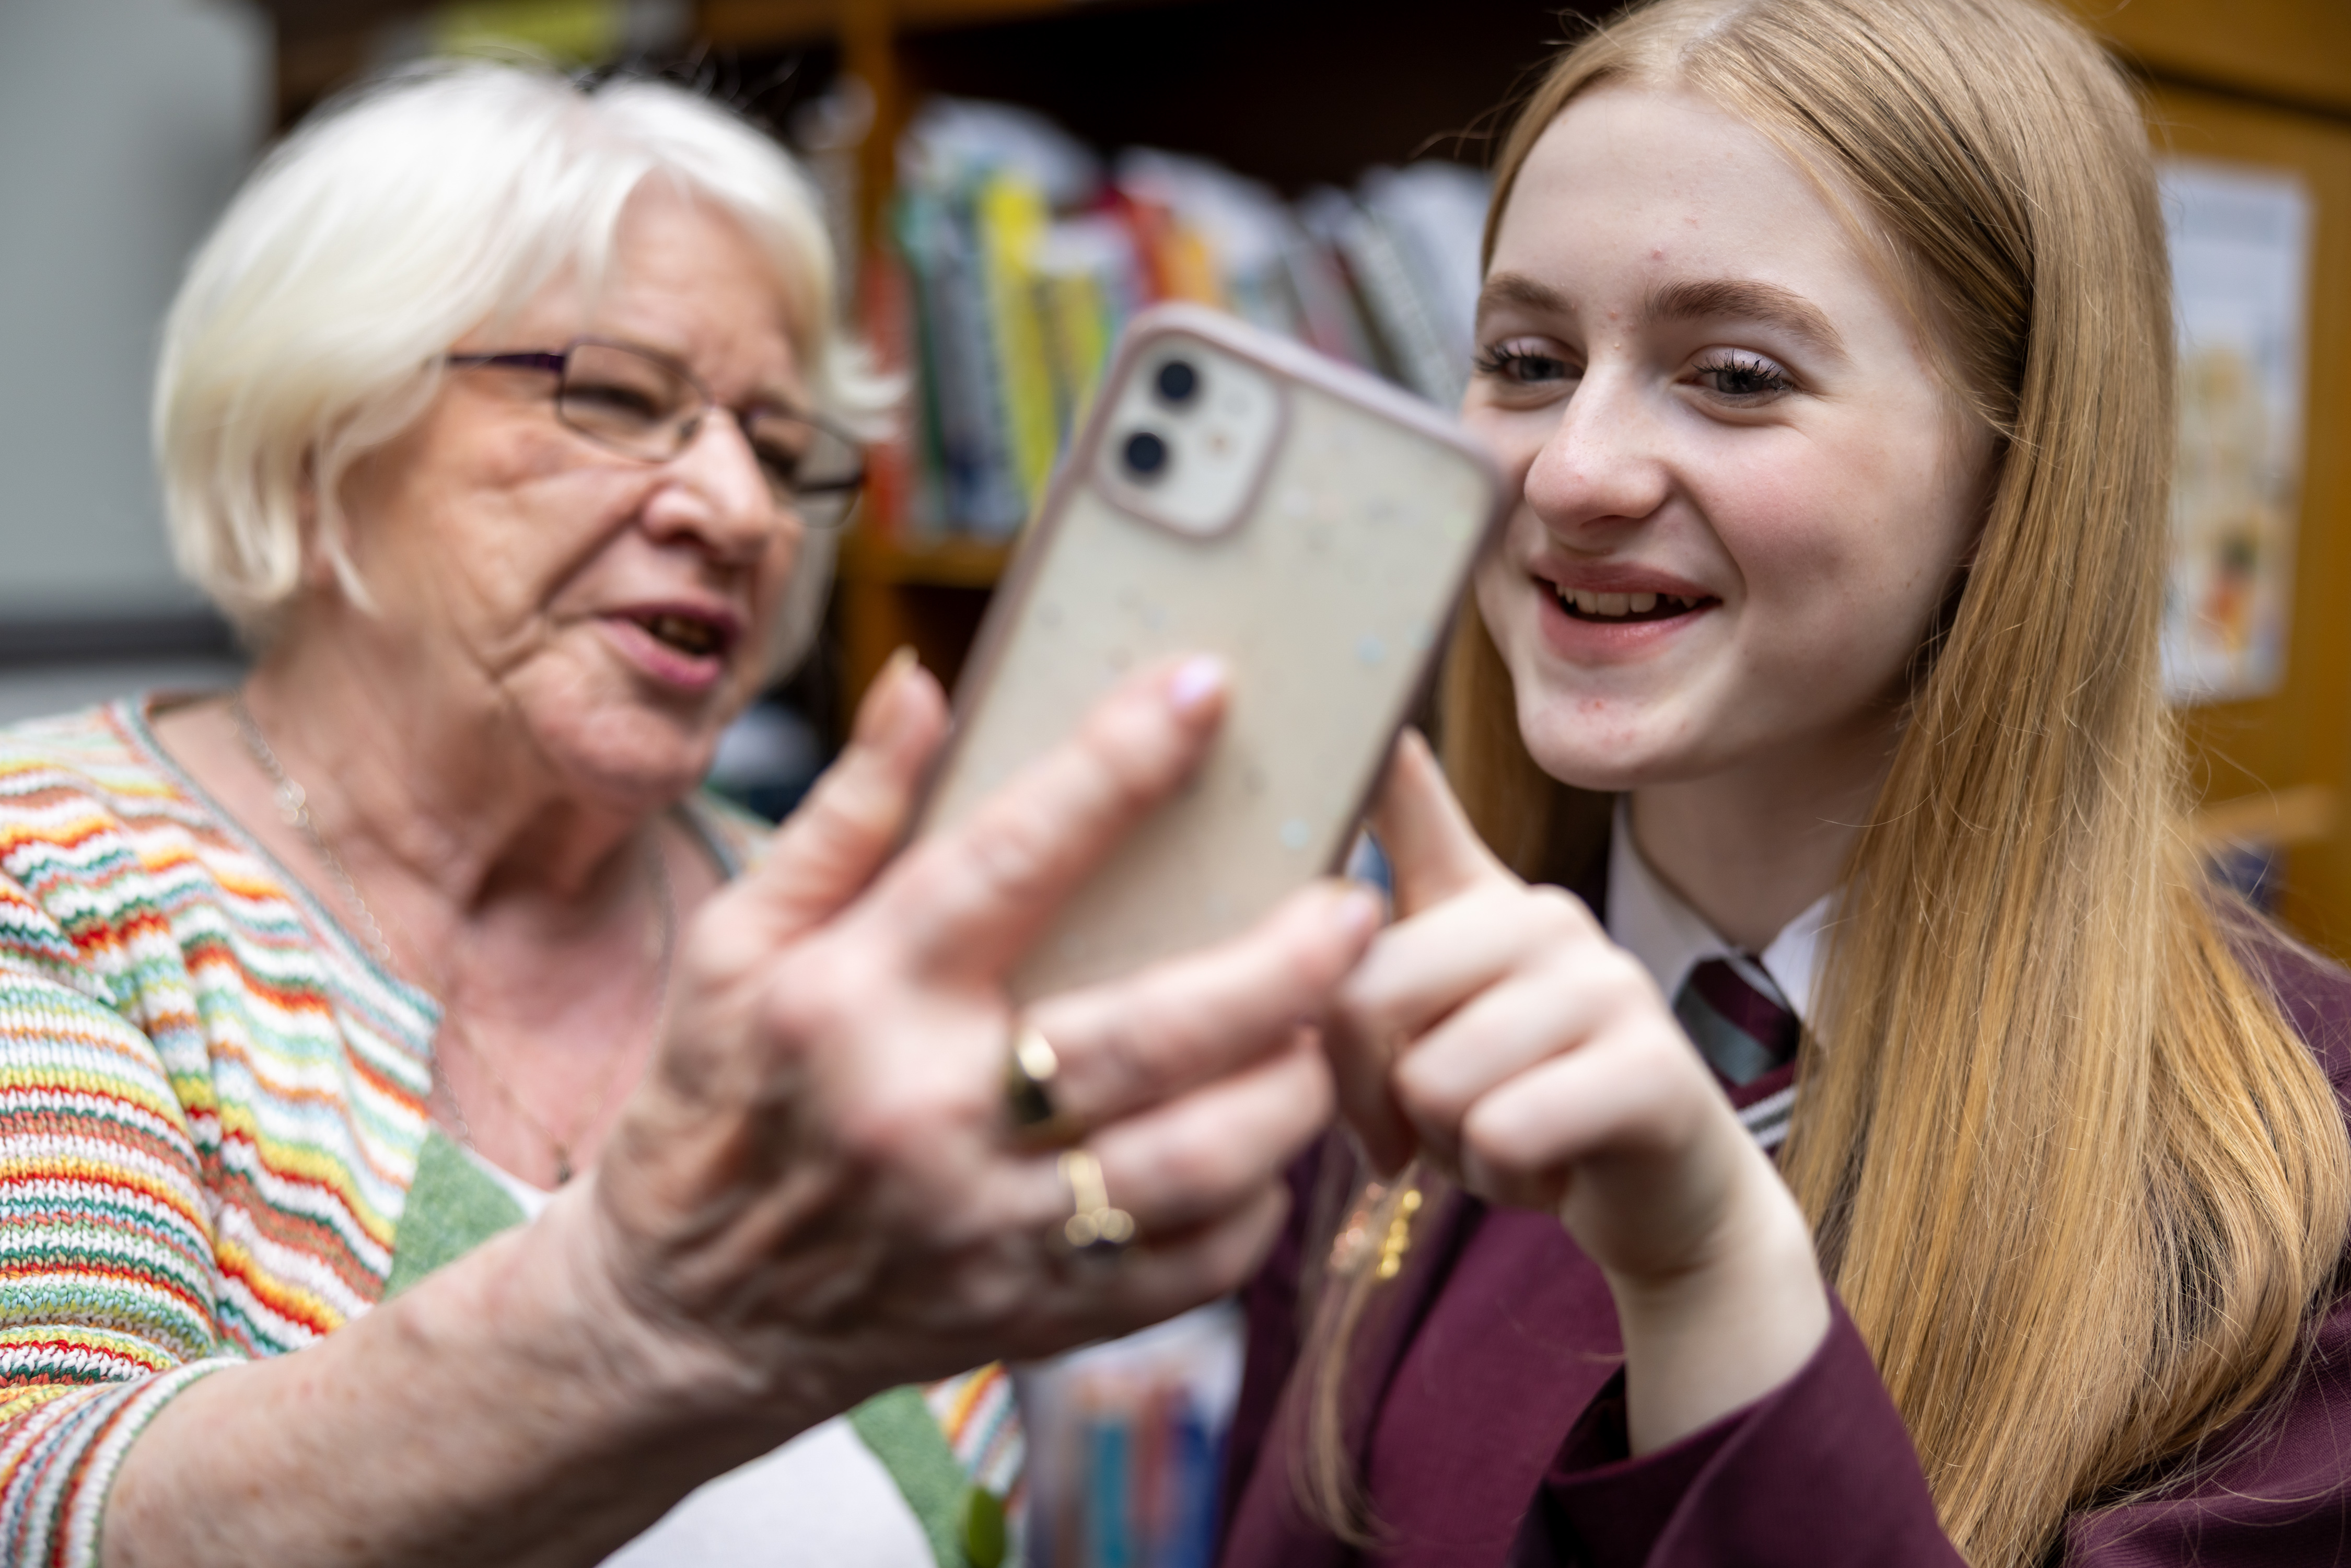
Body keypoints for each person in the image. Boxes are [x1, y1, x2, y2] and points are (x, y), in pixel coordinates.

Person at [0, 63, 1382, 1567]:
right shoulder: (55, 871)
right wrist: (647, 1323)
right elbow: (60, 1506)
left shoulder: (850, 931)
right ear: (327, 425)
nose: (736, 509)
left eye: (783, 451)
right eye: (617, 397)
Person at [1216, 1, 2351, 1564]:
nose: (1571, 473)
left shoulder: (2303, 1182)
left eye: (1735, 375)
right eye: (1525, 360)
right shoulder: (1381, 1064)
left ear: (2014, 471)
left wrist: (1709, 1280)